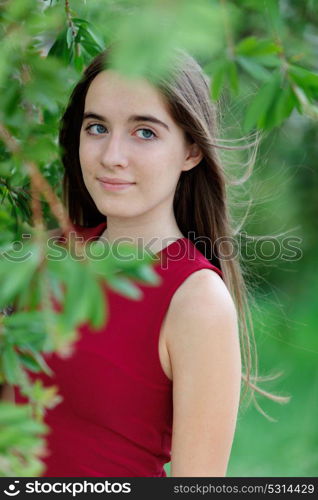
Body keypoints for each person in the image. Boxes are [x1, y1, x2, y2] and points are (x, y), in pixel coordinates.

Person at [9, 45, 288, 477]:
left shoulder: (197, 302)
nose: (111, 155)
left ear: (191, 151)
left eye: (145, 132)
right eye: (97, 127)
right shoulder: (44, 257)